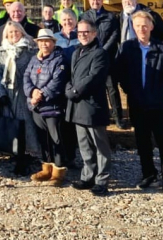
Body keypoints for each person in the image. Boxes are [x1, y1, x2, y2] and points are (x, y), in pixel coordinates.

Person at [115, 10, 163, 191]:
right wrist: (130, 91)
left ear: (151, 27)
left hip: (157, 104)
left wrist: (158, 93)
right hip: (136, 103)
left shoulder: (162, 49)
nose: (141, 29)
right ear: (133, 28)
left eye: (145, 25)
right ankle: (148, 174)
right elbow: (120, 73)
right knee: (142, 142)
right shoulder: (127, 48)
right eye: (137, 26)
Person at [66, 19, 112, 196]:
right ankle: (88, 176)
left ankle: (102, 180)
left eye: (86, 32)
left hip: (92, 105)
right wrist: (69, 88)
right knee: (84, 145)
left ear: (94, 33)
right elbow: (71, 76)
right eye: (79, 32)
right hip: (77, 106)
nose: (83, 35)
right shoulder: (77, 51)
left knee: (100, 146)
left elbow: (94, 77)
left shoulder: (100, 53)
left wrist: (75, 90)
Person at [0, 21, 39, 176]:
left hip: (24, 94)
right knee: (12, 127)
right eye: (10, 33)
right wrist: (0, 94)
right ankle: (16, 155)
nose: (13, 35)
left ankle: (25, 158)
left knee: (26, 127)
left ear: (22, 33)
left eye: (16, 32)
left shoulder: (30, 50)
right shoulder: (1, 52)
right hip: (8, 95)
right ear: (6, 35)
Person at [24, 29, 69, 186]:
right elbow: (26, 77)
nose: (44, 44)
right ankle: (46, 167)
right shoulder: (34, 60)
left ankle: (58, 170)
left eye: (47, 41)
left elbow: (57, 82)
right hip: (37, 106)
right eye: (41, 41)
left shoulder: (60, 60)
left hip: (52, 106)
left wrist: (40, 94)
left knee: (56, 138)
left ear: (53, 42)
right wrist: (32, 92)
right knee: (43, 138)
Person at [82, 0, 127, 129]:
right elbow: (83, 34)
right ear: (89, 1)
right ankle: (99, 116)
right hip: (91, 58)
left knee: (112, 89)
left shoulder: (110, 16)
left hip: (108, 58)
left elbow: (115, 35)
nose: (96, 1)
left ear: (102, 1)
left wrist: (103, 50)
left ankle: (118, 118)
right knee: (93, 88)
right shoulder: (84, 16)